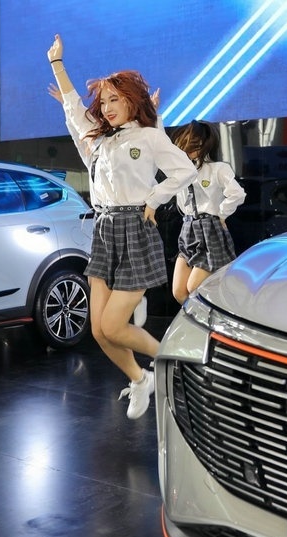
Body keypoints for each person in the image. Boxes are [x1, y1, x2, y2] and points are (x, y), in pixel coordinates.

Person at [47, 35, 196, 420]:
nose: (107, 107)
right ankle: (140, 378)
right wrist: (57, 64)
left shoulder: (148, 137)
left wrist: (154, 200)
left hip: (134, 228)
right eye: (103, 102)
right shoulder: (98, 142)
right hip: (104, 230)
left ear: (132, 100)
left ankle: (172, 358)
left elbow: (184, 170)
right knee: (99, 330)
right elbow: (74, 111)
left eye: (115, 99)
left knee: (113, 326)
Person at [170, 120, 245, 304]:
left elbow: (237, 194)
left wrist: (222, 214)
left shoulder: (218, 169)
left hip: (209, 230)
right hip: (188, 228)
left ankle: (214, 315)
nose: (188, 150)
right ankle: (199, 318)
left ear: (205, 144)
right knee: (179, 292)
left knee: (194, 288)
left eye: (194, 144)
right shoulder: (181, 171)